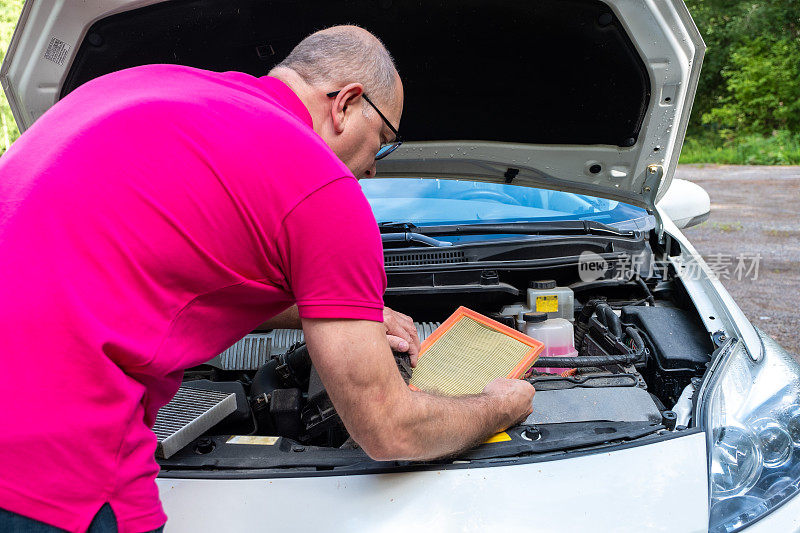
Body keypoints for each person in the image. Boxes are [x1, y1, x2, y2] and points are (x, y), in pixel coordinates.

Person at [0, 25, 535, 533]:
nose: (374, 170)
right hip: (48, 461)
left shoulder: (147, 85)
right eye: (384, 140)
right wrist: (499, 404)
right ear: (345, 103)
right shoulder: (322, 188)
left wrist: (335, 312)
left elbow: (172, 263)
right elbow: (387, 429)